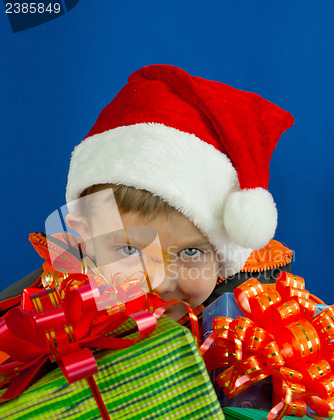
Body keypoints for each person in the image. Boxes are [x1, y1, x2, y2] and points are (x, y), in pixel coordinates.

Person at [0, 64, 294, 328]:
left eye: (190, 252)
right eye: (130, 250)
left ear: (224, 256)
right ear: (84, 237)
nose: (159, 282)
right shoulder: (30, 321)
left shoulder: (261, 323)